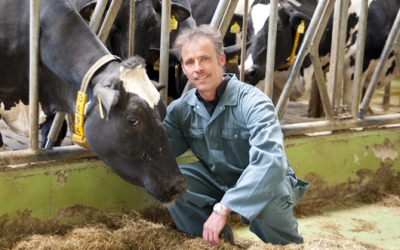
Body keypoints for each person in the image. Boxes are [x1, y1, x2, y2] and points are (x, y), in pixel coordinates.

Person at [163, 24, 310, 246]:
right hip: (217, 178)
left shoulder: (253, 102)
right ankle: (215, 243)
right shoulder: (180, 110)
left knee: (269, 205)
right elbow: (161, 152)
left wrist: (223, 208)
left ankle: (286, 244)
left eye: (205, 59)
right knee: (171, 184)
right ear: (183, 68)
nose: (198, 68)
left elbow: (271, 161)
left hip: (265, 179)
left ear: (222, 60)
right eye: (190, 62)